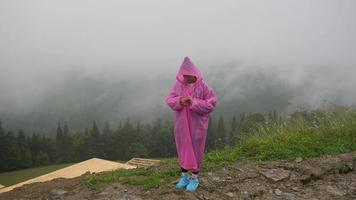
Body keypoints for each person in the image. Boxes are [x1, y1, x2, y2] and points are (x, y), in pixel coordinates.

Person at [165, 56, 218, 192]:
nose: (187, 78)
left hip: (197, 126)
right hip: (181, 126)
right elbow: (170, 99)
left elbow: (211, 103)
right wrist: (180, 101)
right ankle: (184, 176)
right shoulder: (178, 85)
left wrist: (194, 102)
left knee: (196, 149)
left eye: (189, 75)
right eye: (185, 75)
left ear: (195, 74)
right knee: (183, 149)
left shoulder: (204, 87)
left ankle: (194, 178)